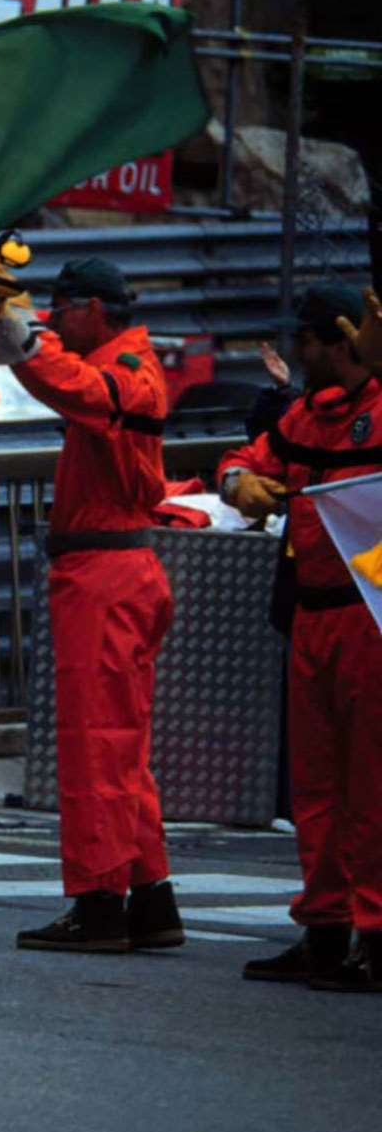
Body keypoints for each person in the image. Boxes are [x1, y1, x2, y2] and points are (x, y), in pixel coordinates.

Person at [0, 253, 185, 954]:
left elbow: (63, 378)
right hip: (115, 570)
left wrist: (21, 322)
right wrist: (11, 318)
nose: (59, 319)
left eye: (64, 308)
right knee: (120, 750)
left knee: (95, 746)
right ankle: (151, 899)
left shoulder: (124, 373)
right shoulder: (127, 365)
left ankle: (99, 902)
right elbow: (46, 369)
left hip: (104, 576)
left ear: (93, 309)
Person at [217, 283, 382, 991]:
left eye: (308, 341)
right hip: (311, 615)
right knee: (315, 785)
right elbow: (240, 460)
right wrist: (235, 486)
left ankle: (374, 936)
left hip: (368, 613)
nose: (297, 353)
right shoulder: (305, 417)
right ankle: (323, 927)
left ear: (339, 340)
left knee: (370, 784)